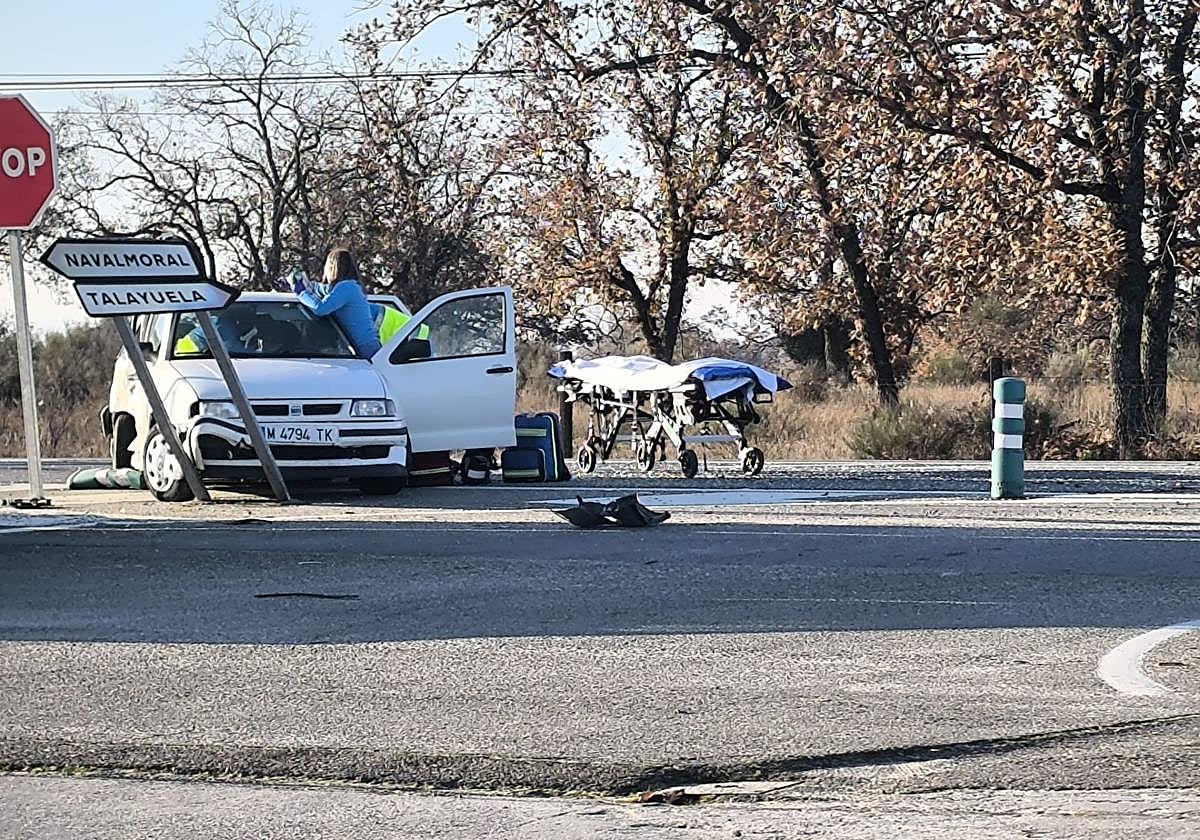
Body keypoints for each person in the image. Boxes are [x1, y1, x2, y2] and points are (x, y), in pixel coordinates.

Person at [294, 249, 382, 358]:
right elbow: (325, 290)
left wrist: (302, 293)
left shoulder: (346, 287)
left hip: (365, 350)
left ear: (332, 267)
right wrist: (309, 285)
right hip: (363, 348)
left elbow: (320, 309)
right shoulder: (350, 286)